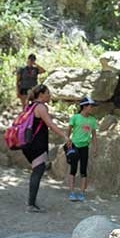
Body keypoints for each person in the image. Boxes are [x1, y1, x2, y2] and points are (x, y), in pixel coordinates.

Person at [21, 84, 71, 212]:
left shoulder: (30, 106)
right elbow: (50, 124)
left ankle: (31, 202)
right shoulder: (41, 107)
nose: (50, 95)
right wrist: (65, 137)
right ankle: (31, 205)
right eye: (48, 93)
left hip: (27, 143)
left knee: (37, 169)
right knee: (38, 170)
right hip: (36, 144)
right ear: (41, 94)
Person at [66, 97, 98, 202]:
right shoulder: (75, 118)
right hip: (75, 146)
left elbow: (94, 135)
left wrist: (95, 147)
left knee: (83, 170)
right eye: (91, 106)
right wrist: (68, 141)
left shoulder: (92, 120)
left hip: (85, 147)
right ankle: (71, 192)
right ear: (84, 106)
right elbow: (69, 129)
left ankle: (82, 193)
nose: (92, 108)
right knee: (73, 170)